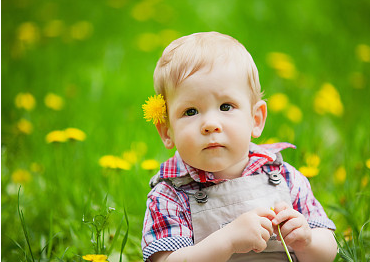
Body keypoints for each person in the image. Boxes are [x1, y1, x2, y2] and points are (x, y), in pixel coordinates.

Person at [141, 31, 337, 262]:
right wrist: (227, 241)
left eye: (226, 106)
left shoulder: (285, 178)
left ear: (256, 119)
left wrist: (308, 241)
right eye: (190, 111)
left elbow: (327, 253)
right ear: (167, 131)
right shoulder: (170, 195)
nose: (211, 124)